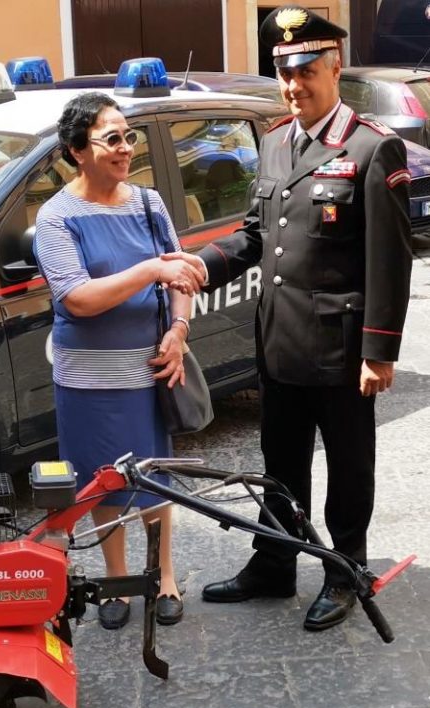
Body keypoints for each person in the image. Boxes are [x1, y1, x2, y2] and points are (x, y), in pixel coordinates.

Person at [184, 6, 412, 630]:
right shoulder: (275, 142)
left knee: (348, 463)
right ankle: (275, 563)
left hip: (341, 349)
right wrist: (199, 265)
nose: (294, 85)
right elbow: (259, 235)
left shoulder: (369, 146)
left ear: (334, 67)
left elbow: (389, 260)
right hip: (280, 341)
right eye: (285, 73)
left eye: (306, 70)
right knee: (280, 462)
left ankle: (345, 569)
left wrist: (380, 351)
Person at [33, 92, 203, 630]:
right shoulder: (57, 216)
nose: (125, 148)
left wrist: (178, 329)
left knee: (154, 480)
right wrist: (150, 270)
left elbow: (180, 277)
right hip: (86, 377)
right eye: (112, 138)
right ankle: (115, 581)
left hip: (150, 369)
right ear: (77, 151)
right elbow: (78, 298)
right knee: (103, 482)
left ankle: (164, 576)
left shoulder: (149, 204)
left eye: (129, 137)